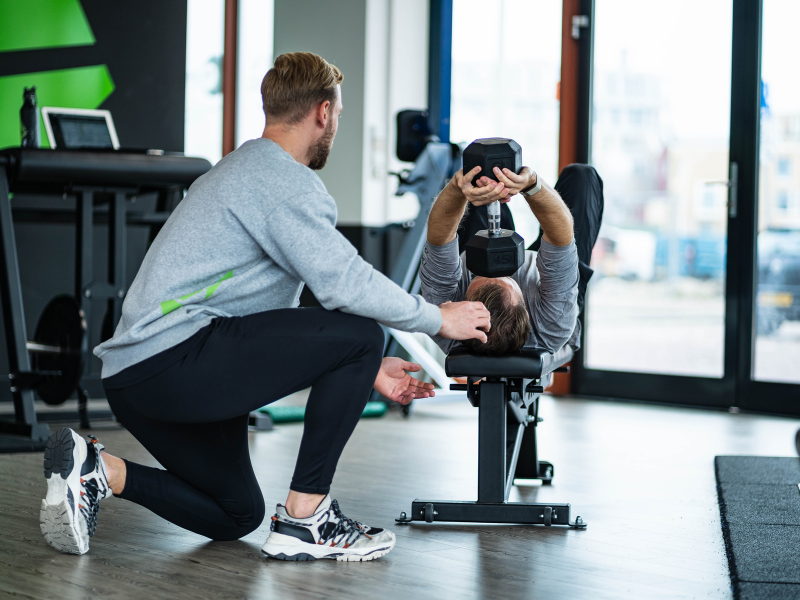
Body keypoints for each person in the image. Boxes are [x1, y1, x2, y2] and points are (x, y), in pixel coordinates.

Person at [38, 52, 491, 562]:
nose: (335, 124)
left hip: (138, 380)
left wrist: (359, 369)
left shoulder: (237, 168)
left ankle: (99, 470)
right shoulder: (281, 179)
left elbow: (279, 327)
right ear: (324, 112)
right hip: (175, 362)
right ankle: (306, 519)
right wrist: (438, 317)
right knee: (361, 333)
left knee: (236, 514)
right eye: (338, 115)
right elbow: (343, 282)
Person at [420, 161, 604, 372]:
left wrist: (457, 186)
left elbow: (439, 237)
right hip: (553, 295)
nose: (495, 266)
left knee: (477, 191)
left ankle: (489, 185)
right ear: (526, 306)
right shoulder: (553, 322)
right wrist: (531, 185)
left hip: (477, 259)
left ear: (463, 301)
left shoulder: (445, 317)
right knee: (582, 176)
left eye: (480, 275)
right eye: (506, 277)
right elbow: (560, 237)